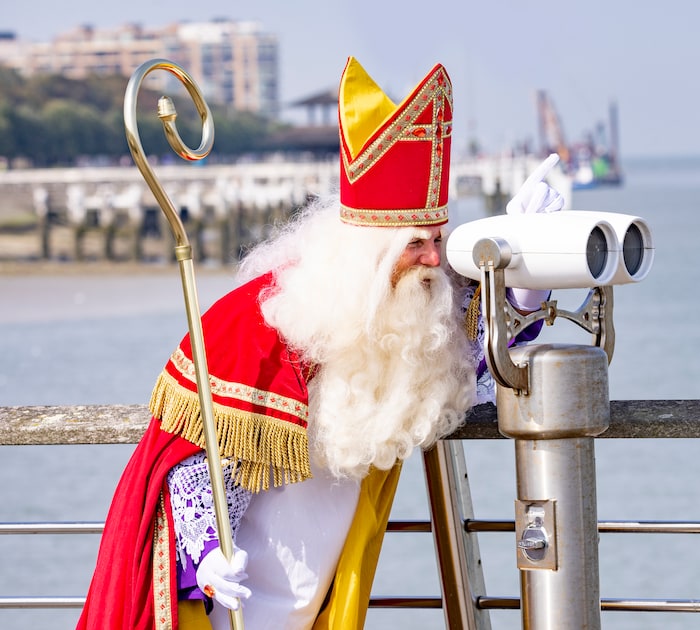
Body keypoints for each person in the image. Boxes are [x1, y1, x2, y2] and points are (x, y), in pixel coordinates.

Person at [77, 56, 564, 630]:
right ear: (367, 251)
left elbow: (475, 374)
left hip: (319, 600)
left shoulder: (409, 315)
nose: (434, 260)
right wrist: (206, 554)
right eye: (415, 245)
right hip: (226, 604)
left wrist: (523, 279)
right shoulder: (272, 321)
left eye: (439, 238)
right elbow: (194, 460)